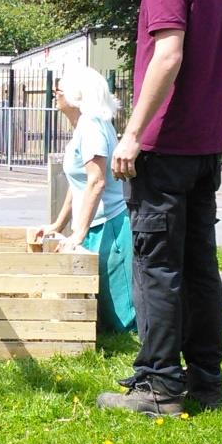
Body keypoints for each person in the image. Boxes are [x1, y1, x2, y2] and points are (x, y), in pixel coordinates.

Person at [96, 0, 222, 416]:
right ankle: (206, 382)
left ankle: (157, 388)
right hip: (204, 148)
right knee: (200, 266)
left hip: (164, 148)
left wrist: (131, 132)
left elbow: (170, 55)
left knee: (155, 266)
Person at [33, 65, 135, 333]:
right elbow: (78, 184)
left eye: (59, 90)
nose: (55, 94)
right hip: (93, 225)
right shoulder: (83, 127)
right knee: (98, 311)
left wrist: (78, 234)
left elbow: (96, 181)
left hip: (109, 226)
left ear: (77, 95)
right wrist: (58, 225)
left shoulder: (91, 125)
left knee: (121, 319)